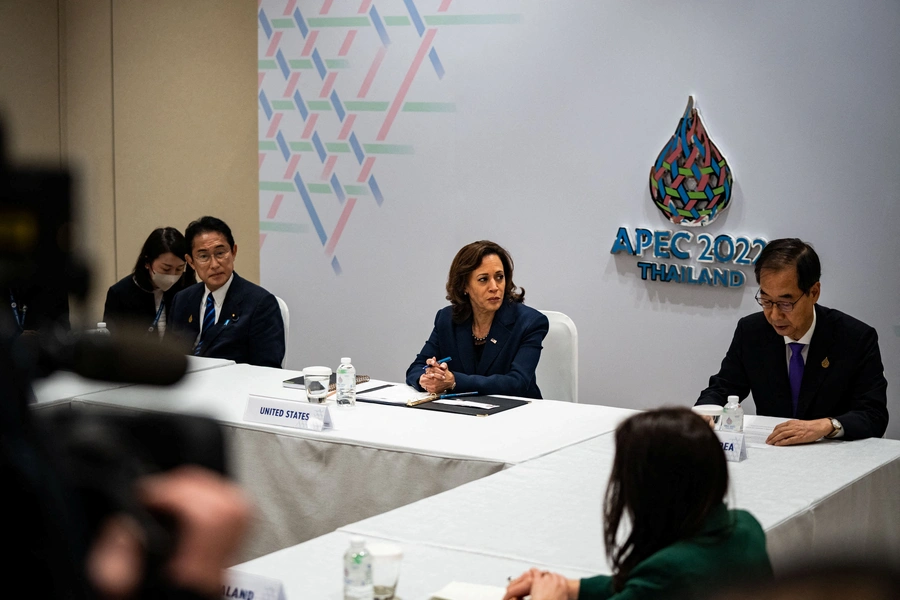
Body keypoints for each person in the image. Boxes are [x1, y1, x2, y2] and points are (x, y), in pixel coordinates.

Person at [504, 407, 773, 600]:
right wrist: (567, 587)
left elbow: (653, 583)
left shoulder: (671, 571)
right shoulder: (746, 526)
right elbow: (638, 587)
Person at [696, 238, 888, 444]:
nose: (774, 315)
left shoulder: (854, 338)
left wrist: (826, 425)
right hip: (774, 452)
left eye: (786, 303)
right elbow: (723, 387)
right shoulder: (752, 331)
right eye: (766, 301)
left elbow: (874, 415)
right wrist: (701, 414)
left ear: (814, 292)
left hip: (832, 455)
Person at [405, 240, 548, 398]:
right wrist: (428, 378)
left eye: (499, 277)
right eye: (483, 279)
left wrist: (454, 382)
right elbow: (417, 367)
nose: (494, 287)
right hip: (462, 414)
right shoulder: (447, 319)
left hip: (517, 413)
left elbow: (517, 382)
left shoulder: (530, 322)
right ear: (464, 286)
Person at [169, 216, 285, 368]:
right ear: (191, 262)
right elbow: (168, 357)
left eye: (220, 253)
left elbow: (268, 369)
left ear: (233, 252)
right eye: (203, 256)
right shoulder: (182, 300)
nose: (215, 264)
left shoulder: (260, 304)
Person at [103, 227, 194, 338]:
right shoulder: (120, 294)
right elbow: (111, 342)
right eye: (166, 269)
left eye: (179, 269)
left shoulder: (187, 287)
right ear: (147, 262)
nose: (172, 276)